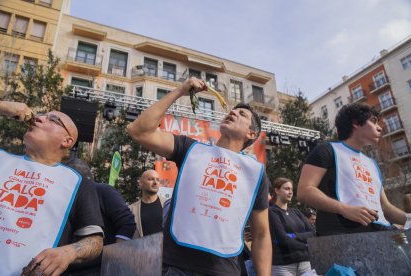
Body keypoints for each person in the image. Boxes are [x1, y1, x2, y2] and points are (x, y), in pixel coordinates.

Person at [127, 77, 272, 275]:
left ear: (251, 134)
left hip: (225, 270)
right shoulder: (190, 149)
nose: (233, 113)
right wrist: (181, 90)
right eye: (232, 110)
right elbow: (139, 131)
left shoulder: (255, 173)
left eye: (242, 114)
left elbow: (262, 234)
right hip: (177, 267)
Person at [0, 100, 103, 276]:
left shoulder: (76, 182)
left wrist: (68, 253)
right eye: (41, 116)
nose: (38, 118)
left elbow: (95, 240)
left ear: (67, 141)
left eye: (52, 119)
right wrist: (0, 107)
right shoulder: (0, 159)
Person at [297, 103, 407, 236]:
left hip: (380, 234)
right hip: (341, 235)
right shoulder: (327, 150)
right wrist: (344, 209)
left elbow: (386, 207)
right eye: (373, 121)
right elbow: (304, 191)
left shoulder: (372, 163)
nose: (379, 128)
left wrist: (408, 219)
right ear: (355, 122)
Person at [63, 158, 136, 244]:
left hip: (103, 253)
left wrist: (116, 251)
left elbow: (127, 223)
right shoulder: (67, 196)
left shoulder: (103, 191)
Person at [269, 178, 314, 276]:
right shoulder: (271, 212)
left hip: (305, 264)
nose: (290, 192)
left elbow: (312, 233)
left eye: (291, 189)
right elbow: (282, 239)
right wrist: (306, 246)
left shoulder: (296, 212)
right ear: (276, 190)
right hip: (283, 266)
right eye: (286, 189)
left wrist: (294, 235)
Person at [129, 169, 165, 238]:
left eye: (157, 180)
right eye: (150, 179)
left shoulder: (169, 206)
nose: (155, 182)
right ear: (141, 183)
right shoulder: (131, 210)